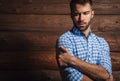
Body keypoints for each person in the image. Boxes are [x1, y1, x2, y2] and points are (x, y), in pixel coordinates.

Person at [56, 0, 113, 81]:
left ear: (92, 14)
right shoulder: (65, 40)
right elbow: (73, 78)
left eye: (85, 13)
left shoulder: (102, 43)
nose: (81, 18)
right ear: (71, 15)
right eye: (76, 14)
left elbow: (106, 74)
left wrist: (72, 60)